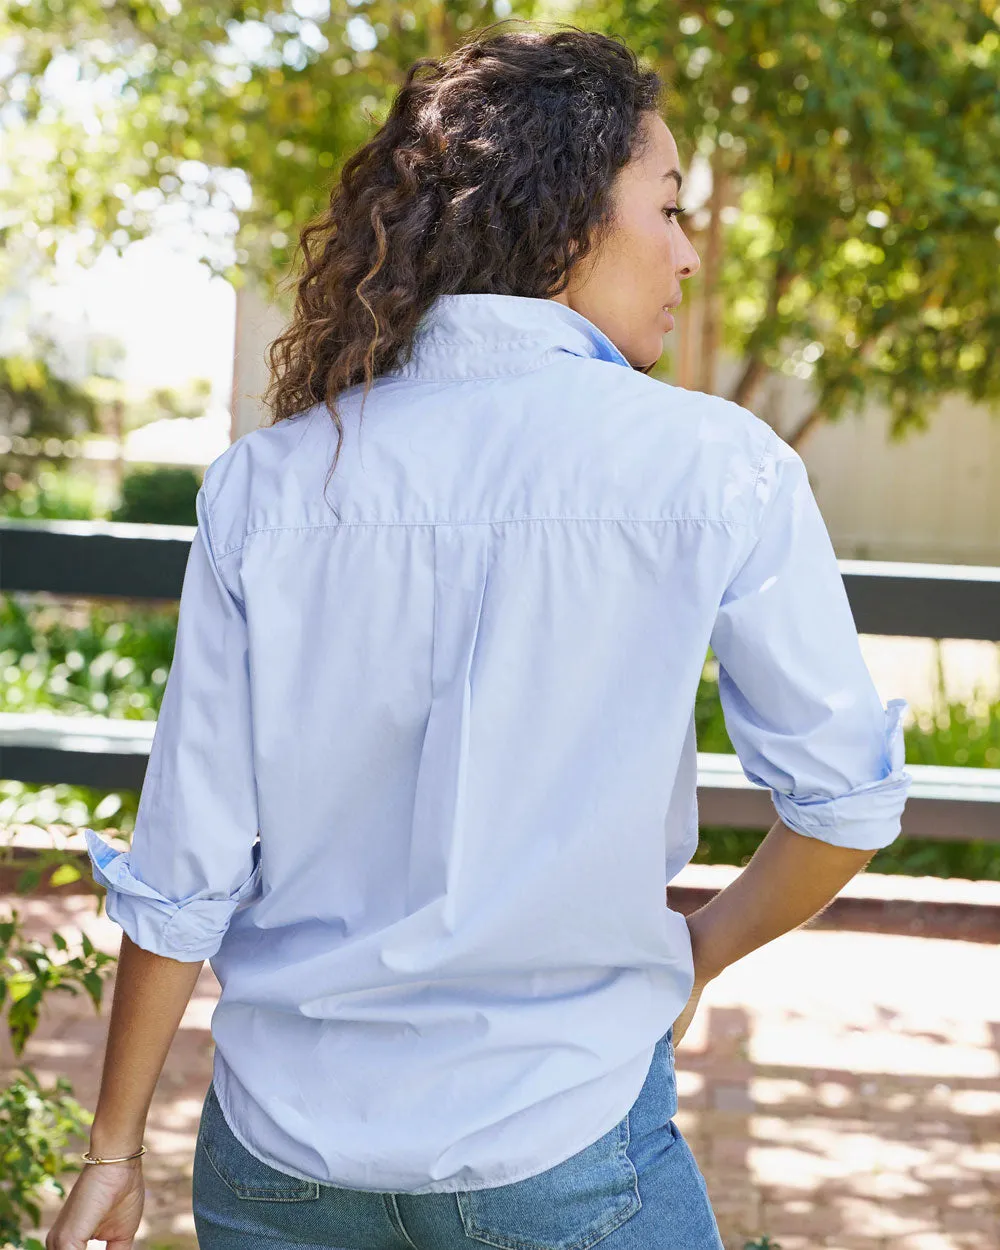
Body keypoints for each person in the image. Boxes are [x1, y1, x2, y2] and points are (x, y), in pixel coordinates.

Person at [45, 20, 911, 1250]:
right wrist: (698, 952)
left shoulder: (270, 481)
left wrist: (113, 1150)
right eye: (666, 208)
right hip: (563, 1134)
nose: (688, 256)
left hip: (284, 1156)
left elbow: (183, 866)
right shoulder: (717, 467)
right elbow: (842, 799)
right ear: (566, 219)